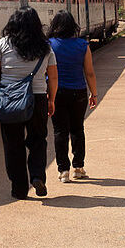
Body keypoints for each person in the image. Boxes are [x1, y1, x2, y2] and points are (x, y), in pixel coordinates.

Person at [0, 7, 58, 199]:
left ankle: (19, 188)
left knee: (13, 145)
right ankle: (37, 176)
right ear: (36, 25)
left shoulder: (3, 44)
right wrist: (51, 99)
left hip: (10, 99)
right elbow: (53, 77)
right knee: (38, 140)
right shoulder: (46, 47)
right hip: (37, 98)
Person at [47, 10, 98, 182]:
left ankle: (63, 171)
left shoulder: (49, 45)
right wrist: (94, 93)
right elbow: (89, 73)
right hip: (79, 92)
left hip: (56, 92)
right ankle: (78, 167)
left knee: (60, 131)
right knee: (77, 129)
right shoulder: (83, 45)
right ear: (73, 26)